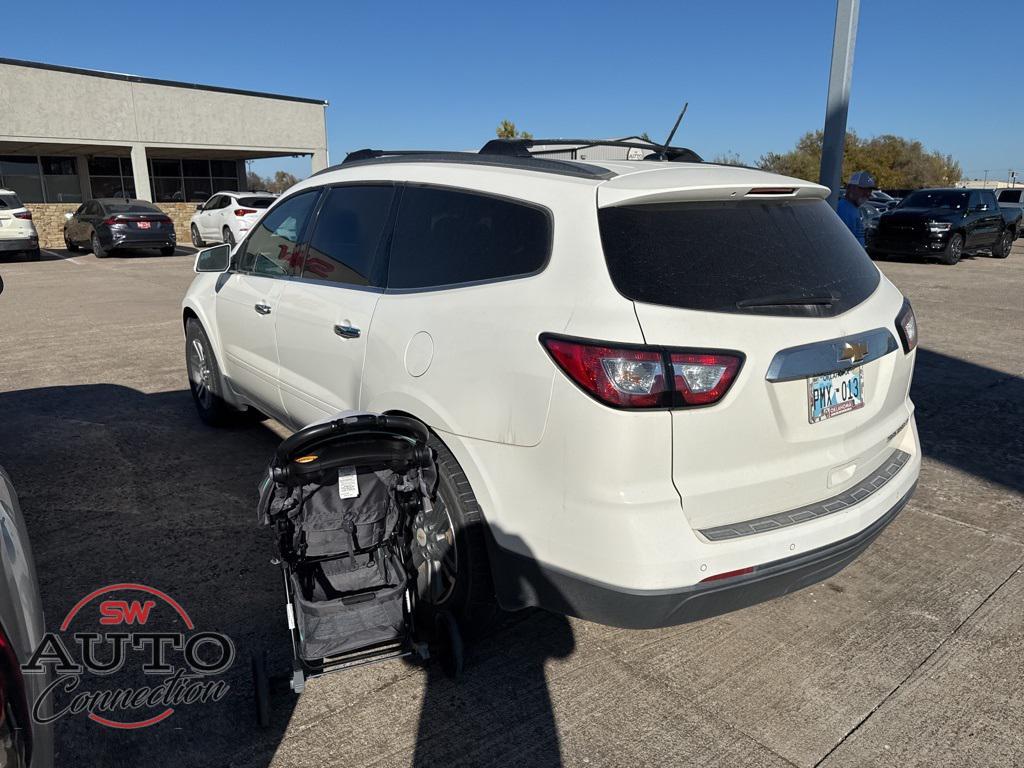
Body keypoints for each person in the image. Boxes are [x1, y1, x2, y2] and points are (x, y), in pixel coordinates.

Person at [837, 170, 877, 247]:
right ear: (850, 188)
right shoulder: (842, 209)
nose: (867, 193)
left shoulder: (853, 208)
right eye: (863, 188)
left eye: (870, 189)